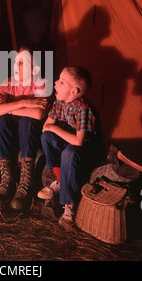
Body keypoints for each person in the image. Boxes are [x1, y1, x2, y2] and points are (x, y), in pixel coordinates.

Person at [38, 66, 104, 225]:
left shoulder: (83, 108)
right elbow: (46, 127)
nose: (55, 83)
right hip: (71, 143)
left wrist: (54, 128)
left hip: (89, 150)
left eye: (61, 82)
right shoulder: (60, 103)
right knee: (47, 137)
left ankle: (69, 206)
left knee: (69, 152)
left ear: (74, 91)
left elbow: (79, 141)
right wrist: (53, 128)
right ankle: (60, 181)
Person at [0, 47, 51, 211]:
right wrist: (24, 103)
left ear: (34, 69)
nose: (16, 66)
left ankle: (25, 182)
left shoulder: (42, 83)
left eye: (21, 63)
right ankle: (6, 180)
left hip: (33, 138)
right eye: (15, 62)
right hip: (10, 137)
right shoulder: (8, 82)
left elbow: (37, 114)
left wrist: (7, 107)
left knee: (26, 121)